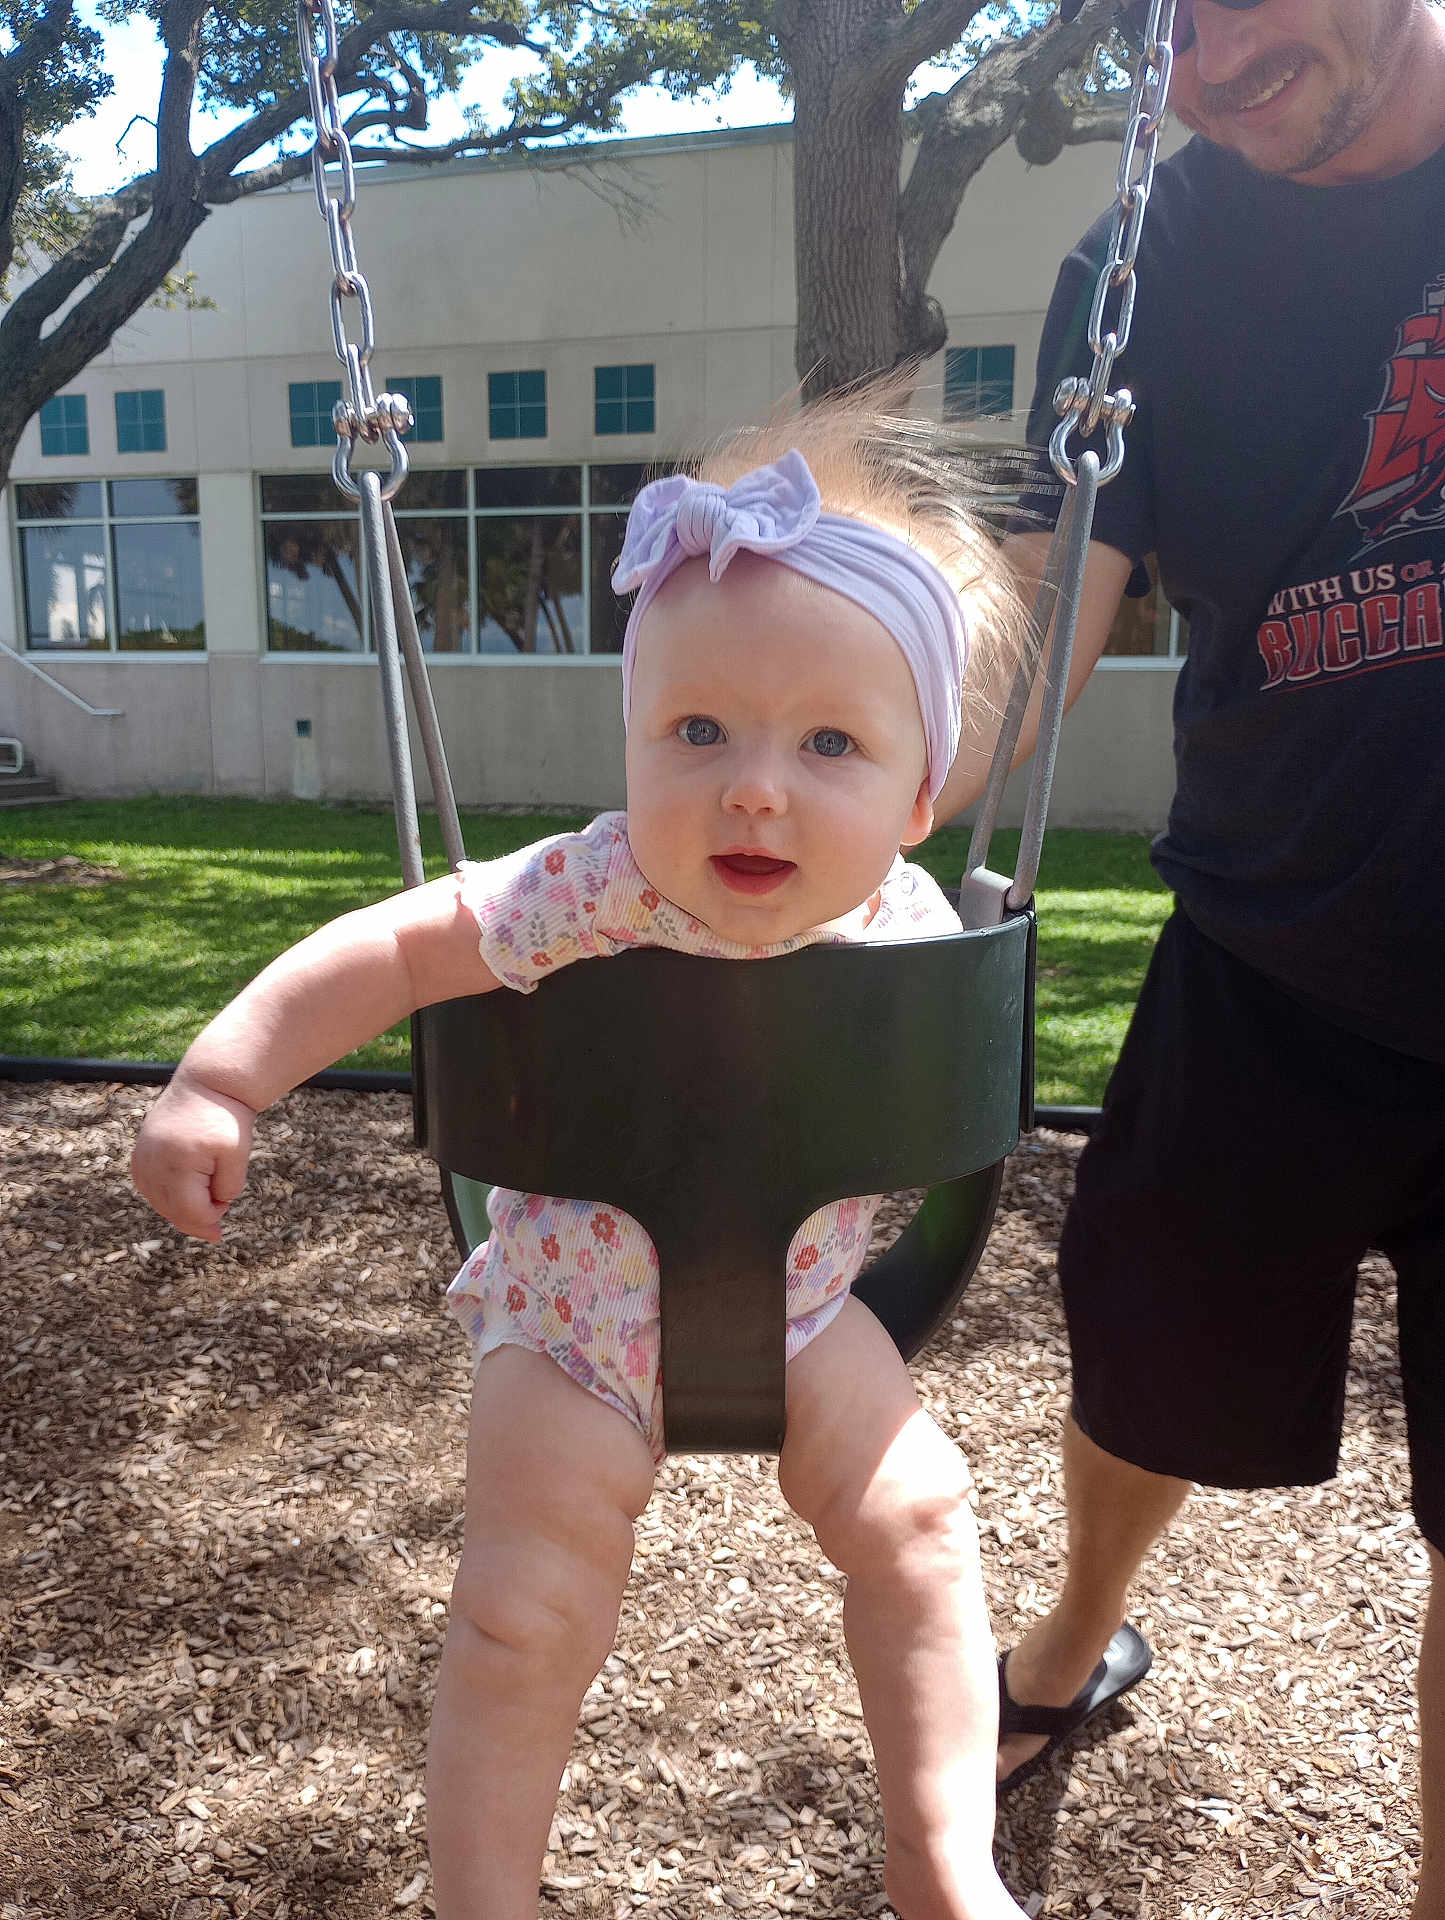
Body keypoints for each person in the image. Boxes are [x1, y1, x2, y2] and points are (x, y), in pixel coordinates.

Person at [131, 400, 1033, 1920]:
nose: (755, 786)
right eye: (699, 732)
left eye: (830, 744)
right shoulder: (589, 887)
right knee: (520, 1617)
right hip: (569, 1327)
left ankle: (940, 1854)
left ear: (918, 795)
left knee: (925, 1528)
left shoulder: (914, 929)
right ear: (631, 740)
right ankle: (479, 1896)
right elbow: (394, 945)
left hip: (808, 1316)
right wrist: (224, 1080)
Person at [939, 3, 1445, 1912]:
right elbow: (1070, 575)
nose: (1203, 56)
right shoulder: (1141, 261)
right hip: (1268, 949)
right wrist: (850, 786)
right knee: (1141, 1369)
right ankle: (1069, 1649)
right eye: (1164, 18)